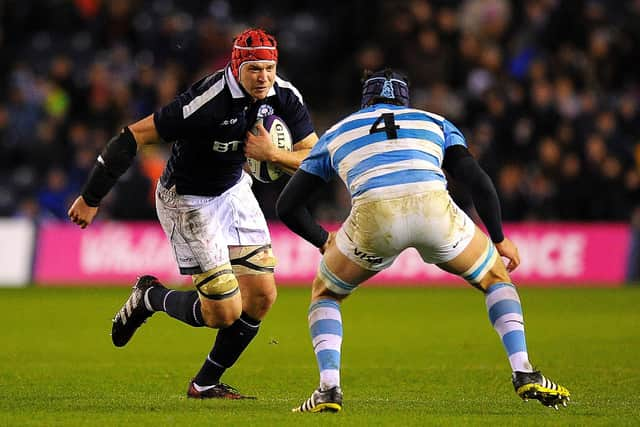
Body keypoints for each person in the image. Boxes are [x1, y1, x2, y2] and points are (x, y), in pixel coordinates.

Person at [276, 68, 570, 412]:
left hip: (374, 216)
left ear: (365, 100)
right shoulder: (435, 122)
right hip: (433, 207)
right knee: (494, 279)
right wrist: (500, 239)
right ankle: (523, 371)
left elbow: (287, 206)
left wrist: (323, 240)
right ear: (405, 99)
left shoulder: (337, 132)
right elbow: (478, 180)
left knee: (326, 293)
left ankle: (329, 388)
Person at [68, 28, 318, 399]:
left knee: (262, 296)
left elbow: (313, 158)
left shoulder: (284, 95)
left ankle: (204, 384)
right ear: (236, 67)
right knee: (223, 313)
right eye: (254, 69)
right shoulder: (205, 102)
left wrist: (274, 156)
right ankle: (150, 297)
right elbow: (133, 136)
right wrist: (92, 196)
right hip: (187, 199)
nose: (263, 77)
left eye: (269, 68)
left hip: (233, 190)